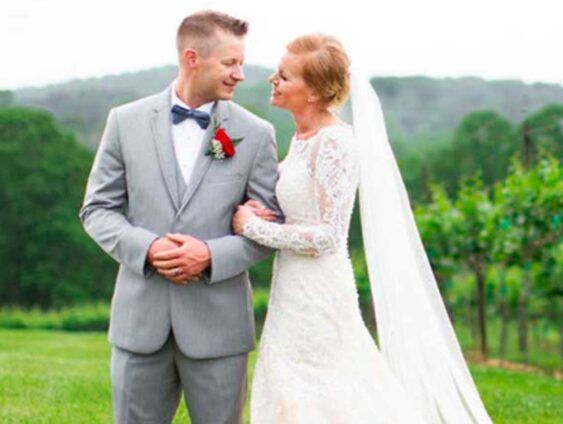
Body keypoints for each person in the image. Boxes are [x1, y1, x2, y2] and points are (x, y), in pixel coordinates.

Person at [232, 34, 493, 423]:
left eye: (285, 76)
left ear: (316, 92)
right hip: (292, 283)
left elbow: (327, 236)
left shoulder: (335, 143)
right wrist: (258, 211)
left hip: (319, 288)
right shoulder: (303, 139)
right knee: (291, 378)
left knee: (325, 382)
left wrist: (252, 227)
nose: (273, 79)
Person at [79, 10, 282, 424]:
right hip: (140, 324)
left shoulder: (256, 133)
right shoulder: (124, 121)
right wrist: (148, 247)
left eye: (241, 63)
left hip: (219, 328)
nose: (240, 74)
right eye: (230, 63)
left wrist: (209, 255)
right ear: (193, 58)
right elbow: (97, 209)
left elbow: (269, 227)